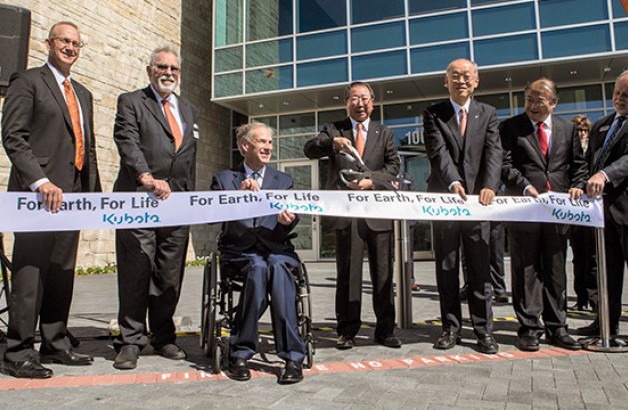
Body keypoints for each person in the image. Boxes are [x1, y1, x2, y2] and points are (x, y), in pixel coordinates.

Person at [1, 22, 101, 378]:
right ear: (49, 43)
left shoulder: (83, 94)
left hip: (72, 197)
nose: (70, 47)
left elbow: (84, 146)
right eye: (64, 41)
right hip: (38, 197)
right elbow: (13, 137)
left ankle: (56, 343)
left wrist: (92, 197)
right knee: (31, 274)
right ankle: (17, 352)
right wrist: (39, 181)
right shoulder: (27, 82)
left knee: (62, 272)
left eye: (76, 43)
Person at [111, 46, 197, 370]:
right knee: (137, 269)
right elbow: (127, 141)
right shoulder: (131, 101)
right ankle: (131, 340)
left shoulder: (189, 110)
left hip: (177, 204)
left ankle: (163, 336)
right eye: (162, 67)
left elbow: (189, 160)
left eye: (174, 68)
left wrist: (192, 200)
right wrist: (146, 176)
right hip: (139, 199)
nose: (169, 73)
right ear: (150, 70)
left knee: (169, 273)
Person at [304, 81, 401, 350]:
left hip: (378, 214)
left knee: (383, 274)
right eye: (355, 98)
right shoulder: (334, 130)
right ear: (346, 102)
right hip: (346, 215)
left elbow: (393, 169)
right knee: (348, 274)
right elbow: (310, 149)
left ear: (373, 102)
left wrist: (371, 181)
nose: (360, 103)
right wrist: (331, 143)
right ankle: (346, 331)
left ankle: (385, 330)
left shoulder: (385, 133)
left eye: (365, 98)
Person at [212, 122, 306, 385]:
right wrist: (236, 200)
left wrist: (289, 220)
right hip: (240, 251)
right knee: (259, 268)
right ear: (245, 146)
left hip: (277, 249)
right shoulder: (224, 180)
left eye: (269, 142)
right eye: (262, 142)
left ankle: (293, 357)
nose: (268, 147)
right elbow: (211, 216)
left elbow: (294, 213)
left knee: (276, 267)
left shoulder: (283, 180)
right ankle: (240, 353)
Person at [500, 78, 588, 352]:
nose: (533, 105)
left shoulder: (567, 129)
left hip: (558, 211)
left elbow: (579, 165)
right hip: (525, 208)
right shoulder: (510, 127)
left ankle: (557, 327)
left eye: (540, 100)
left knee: (555, 270)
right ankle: (529, 328)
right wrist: (524, 185)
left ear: (553, 102)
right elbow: (504, 164)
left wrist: (578, 185)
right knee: (526, 269)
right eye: (529, 98)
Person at [423, 58, 502, 354]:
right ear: (446, 81)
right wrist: (454, 182)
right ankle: (450, 328)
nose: (461, 80)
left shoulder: (488, 113)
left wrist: (490, 185)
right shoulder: (434, 114)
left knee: (481, 268)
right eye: (455, 76)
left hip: (479, 204)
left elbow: (494, 152)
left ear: (476, 81)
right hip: (446, 201)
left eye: (466, 75)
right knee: (447, 267)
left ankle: (484, 331)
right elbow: (438, 153)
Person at [576, 71, 628, 338]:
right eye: (617, 93)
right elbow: (588, 162)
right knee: (606, 274)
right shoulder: (602, 125)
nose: (620, 99)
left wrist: (604, 175)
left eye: (626, 95)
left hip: (626, 210)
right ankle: (606, 323)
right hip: (601, 214)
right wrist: (580, 181)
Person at [568, 115, 597, 312]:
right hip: (575, 210)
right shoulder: (569, 149)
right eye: (578, 130)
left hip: (593, 210)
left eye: (584, 130)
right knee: (579, 256)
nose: (582, 133)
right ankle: (581, 297)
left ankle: (595, 298)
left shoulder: (594, 150)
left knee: (593, 257)